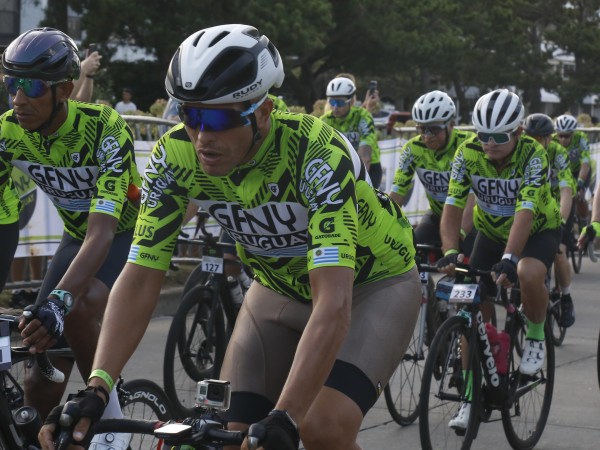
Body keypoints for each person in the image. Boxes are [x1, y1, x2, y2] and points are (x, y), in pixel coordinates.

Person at [39, 23, 421, 450]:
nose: (202, 136)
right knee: (225, 435)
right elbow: (142, 272)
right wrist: (98, 387)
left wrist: (286, 417)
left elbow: (333, 302)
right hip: (276, 290)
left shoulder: (315, 155)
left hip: (372, 285)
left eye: (218, 117)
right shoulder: (175, 156)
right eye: (190, 115)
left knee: (319, 428)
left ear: (262, 112)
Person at [0, 27, 141, 450]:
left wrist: (58, 302)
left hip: (126, 234)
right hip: (75, 238)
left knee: (76, 307)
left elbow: (102, 231)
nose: (18, 99)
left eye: (32, 86)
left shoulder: (104, 128)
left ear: (65, 89)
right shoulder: (9, 131)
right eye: (11, 84)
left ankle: (110, 422)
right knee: (38, 370)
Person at [437, 89, 561, 430]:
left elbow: (526, 208)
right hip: (489, 233)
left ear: (518, 132)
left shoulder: (534, 154)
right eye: (482, 135)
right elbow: (452, 207)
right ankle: (471, 390)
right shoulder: (467, 152)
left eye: (498, 137)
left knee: (527, 271)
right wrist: (450, 250)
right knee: (469, 304)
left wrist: (510, 258)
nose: (489, 143)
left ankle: (535, 334)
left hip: (537, 230)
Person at [389, 90, 476, 253]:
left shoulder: (468, 145)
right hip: (437, 215)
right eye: (422, 129)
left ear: (451, 124)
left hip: (470, 218)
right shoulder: (412, 149)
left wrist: (459, 235)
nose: (427, 136)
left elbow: (473, 198)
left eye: (434, 129)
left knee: (467, 261)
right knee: (412, 251)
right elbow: (398, 193)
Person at [524, 113, 576, 327]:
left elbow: (565, 190)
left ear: (548, 139)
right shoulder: (522, 153)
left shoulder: (557, 152)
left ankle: (566, 297)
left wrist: (562, 223)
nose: (535, 144)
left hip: (558, 204)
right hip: (533, 206)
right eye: (531, 139)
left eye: (539, 139)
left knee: (559, 252)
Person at [320, 76, 383, 189]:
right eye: (332, 101)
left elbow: (365, 155)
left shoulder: (363, 116)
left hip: (368, 167)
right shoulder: (325, 121)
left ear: (352, 101)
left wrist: (358, 183)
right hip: (339, 167)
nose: (335, 107)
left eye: (339, 103)